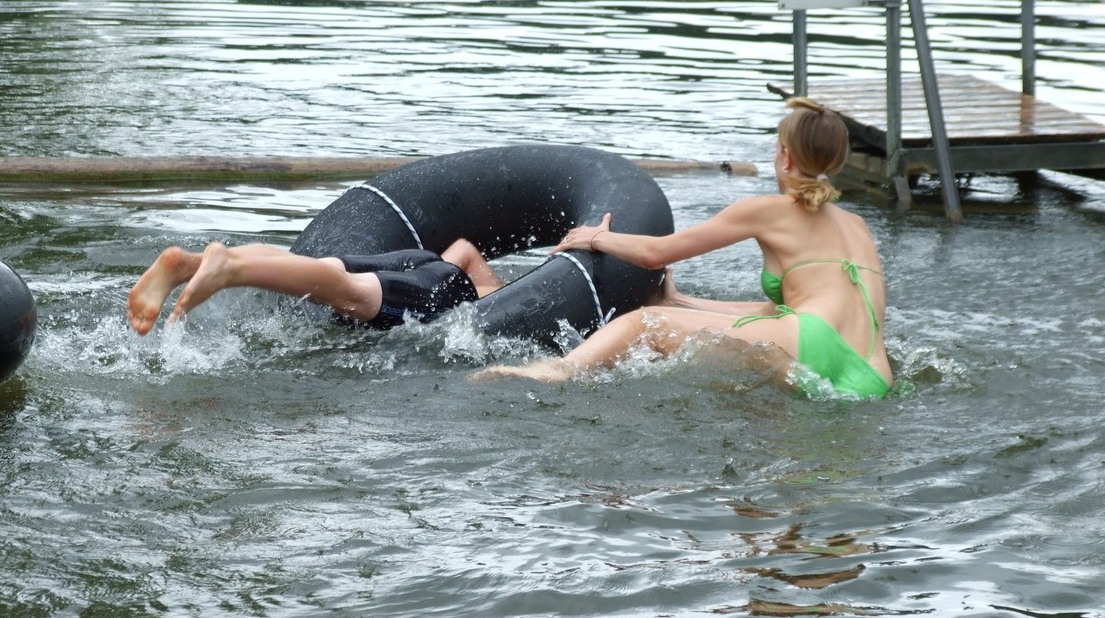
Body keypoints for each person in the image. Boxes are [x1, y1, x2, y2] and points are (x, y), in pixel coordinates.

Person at [474, 97, 893, 399]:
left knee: (645, 324)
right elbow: (782, 314)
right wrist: (682, 302)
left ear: (785, 158)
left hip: (814, 347)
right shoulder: (858, 227)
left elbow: (657, 253)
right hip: (873, 374)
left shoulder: (768, 210)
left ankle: (557, 370)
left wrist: (596, 238)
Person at [127, 237, 503, 336]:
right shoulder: (517, 305)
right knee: (353, 294)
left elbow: (464, 249)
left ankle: (190, 265)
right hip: (444, 288)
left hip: (423, 263)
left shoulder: (497, 288)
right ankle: (227, 268)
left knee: (322, 269)